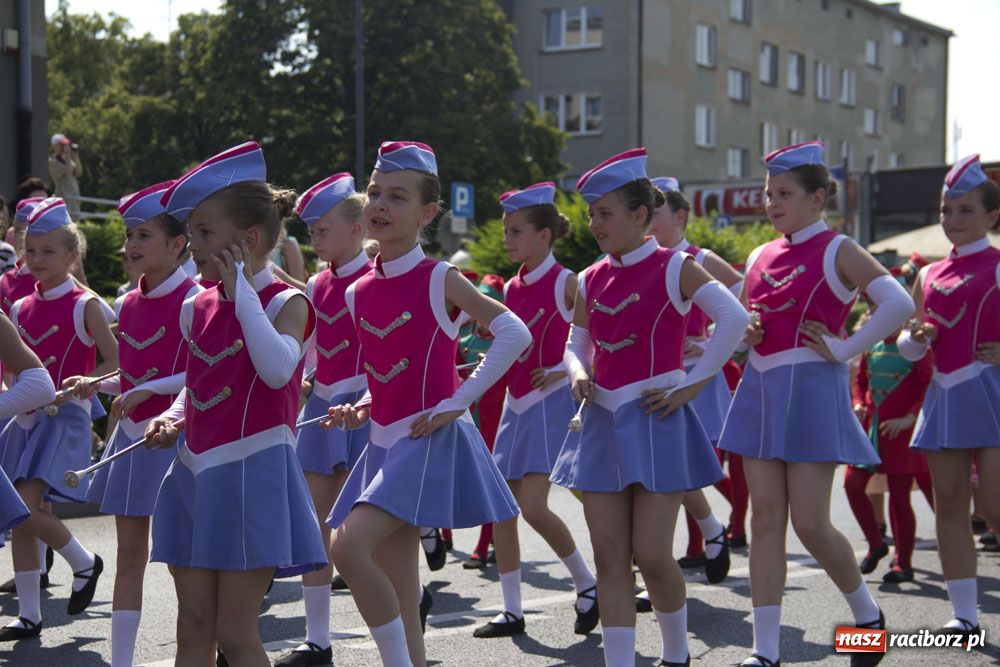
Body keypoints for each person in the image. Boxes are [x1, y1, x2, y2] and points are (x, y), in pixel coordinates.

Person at [321, 141, 526, 667]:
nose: (380, 206)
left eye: (398, 196)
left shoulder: (439, 277)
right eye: (374, 194)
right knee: (399, 579)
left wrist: (459, 402)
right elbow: (384, 370)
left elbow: (512, 332)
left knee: (346, 548)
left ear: (428, 212)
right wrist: (364, 405)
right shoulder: (357, 291)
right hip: (383, 439)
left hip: (425, 437)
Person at [718, 141, 915, 667]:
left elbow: (899, 301)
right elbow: (743, 326)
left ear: (818, 198)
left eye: (784, 194)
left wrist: (845, 347)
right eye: (768, 194)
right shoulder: (760, 254)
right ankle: (765, 651)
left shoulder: (838, 248)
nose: (772, 203)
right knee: (763, 521)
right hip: (759, 392)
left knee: (809, 524)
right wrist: (747, 335)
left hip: (811, 393)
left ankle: (867, 616)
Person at [550, 148, 747, 666]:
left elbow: (733, 317)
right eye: (591, 214)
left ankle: (676, 655)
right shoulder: (589, 278)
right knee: (610, 557)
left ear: (641, 216)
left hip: (658, 419)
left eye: (606, 213)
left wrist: (694, 384)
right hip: (601, 422)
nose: (595, 224)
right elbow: (577, 341)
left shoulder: (675, 266)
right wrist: (579, 373)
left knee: (655, 555)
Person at [144, 142, 327, 665]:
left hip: (253, 475)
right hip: (194, 471)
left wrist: (241, 288)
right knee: (193, 625)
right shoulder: (194, 304)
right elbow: (198, 380)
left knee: (235, 630)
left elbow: (275, 370)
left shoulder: (288, 303)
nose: (191, 245)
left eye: (204, 233)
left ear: (247, 240)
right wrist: (173, 415)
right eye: (191, 232)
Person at [75, 181, 200, 667]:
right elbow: (132, 376)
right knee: (129, 556)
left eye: (144, 234)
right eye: (130, 234)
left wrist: (149, 390)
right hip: (131, 439)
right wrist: (97, 383)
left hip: (174, 438)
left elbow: (202, 373)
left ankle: (201, 653)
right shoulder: (126, 303)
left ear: (176, 245)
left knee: (181, 563)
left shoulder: (197, 298)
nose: (131, 245)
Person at [474, 182, 599, 639]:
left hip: (549, 405)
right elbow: (517, 342)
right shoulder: (510, 285)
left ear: (544, 235)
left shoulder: (569, 281)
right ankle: (511, 609)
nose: (507, 240)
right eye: (506, 231)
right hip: (515, 403)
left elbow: (593, 340)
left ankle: (588, 583)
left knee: (532, 506)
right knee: (502, 509)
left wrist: (563, 370)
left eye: (516, 232)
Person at [0, 197, 118, 640]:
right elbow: (14, 372)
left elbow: (117, 361)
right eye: (30, 251)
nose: (36, 261)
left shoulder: (84, 304)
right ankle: (29, 614)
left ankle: (85, 561)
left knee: (25, 508)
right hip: (26, 420)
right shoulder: (17, 307)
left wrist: (90, 380)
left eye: (48, 252)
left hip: (65, 416)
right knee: (18, 515)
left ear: (72, 257)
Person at [897, 153, 1000, 638]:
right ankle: (964, 615)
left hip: (994, 394)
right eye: (946, 210)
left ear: (991, 216)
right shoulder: (929, 274)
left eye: (964, 210)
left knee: (996, 506)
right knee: (951, 502)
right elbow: (907, 340)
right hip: (945, 395)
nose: (952, 219)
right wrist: (916, 339)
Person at [276, 172, 371, 667]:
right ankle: (319, 640)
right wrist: (308, 379)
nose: (314, 240)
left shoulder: (377, 276)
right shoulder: (316, 282)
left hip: (368, 411)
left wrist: (369, 398)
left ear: (356, 229)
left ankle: (408, 598)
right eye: (310, 232)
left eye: (323, 229)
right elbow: (312, 346)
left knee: (371, 527)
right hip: (324, 407)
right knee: (316, 525)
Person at [647, 175, 743, 587]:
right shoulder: (645, 261)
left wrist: (707, 346)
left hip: (696, 376)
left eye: (656, 213)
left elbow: (744, 300)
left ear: (681, 216)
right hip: (658, 377)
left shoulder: (699, 259)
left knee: (686, 464)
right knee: (673, 465)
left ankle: (723, 529)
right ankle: (702, 540)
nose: (647, 221)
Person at [845, 288, 934, 585]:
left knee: (899, 497)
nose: (874, 315)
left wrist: (910, 418)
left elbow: (928, 386)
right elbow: (860, 379)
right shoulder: (871, 344)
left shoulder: (916, 347)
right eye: (873, 310)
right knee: (852, 484)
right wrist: (858, 402)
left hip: (902, 433)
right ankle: (876, 543)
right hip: (871, 427)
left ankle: (903, 563)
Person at [48, 135, 84, 220]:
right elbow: (68, 172)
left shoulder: (67, 160)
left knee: (75, 226)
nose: (64, 147)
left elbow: (79, 173)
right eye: (62, 145)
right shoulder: (52, 161)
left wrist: (75, 157)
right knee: (66, 224)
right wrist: (68, 155)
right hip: (64, 198)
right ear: (55, 146)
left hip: (74, 199)